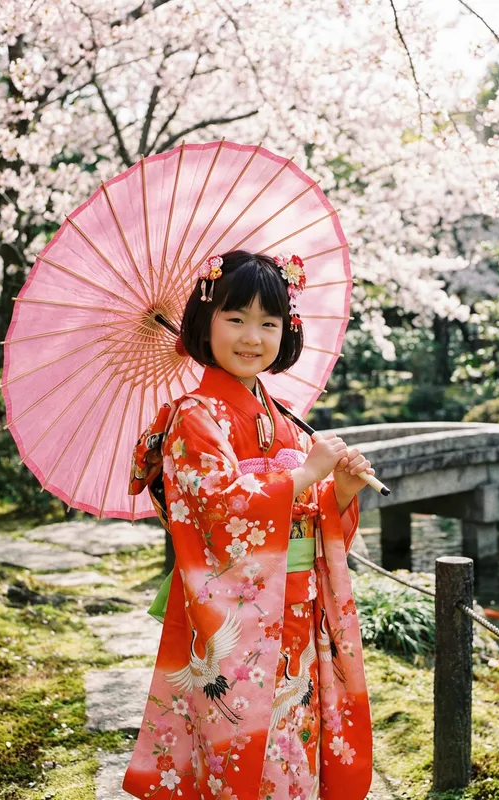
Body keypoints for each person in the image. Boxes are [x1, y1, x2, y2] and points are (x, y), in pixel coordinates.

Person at [123, 251, 373, 800]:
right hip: (236, 619)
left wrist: (339, 491)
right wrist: (305, 473)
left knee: (296, 744)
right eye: (235, 319)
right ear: (204, 322)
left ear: (287, 330)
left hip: (298, 611)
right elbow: (218, 510)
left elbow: (312, 511)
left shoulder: (283, 417)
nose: (252, 337)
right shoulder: (193, 415)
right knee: (242, 748)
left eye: (268, 323)